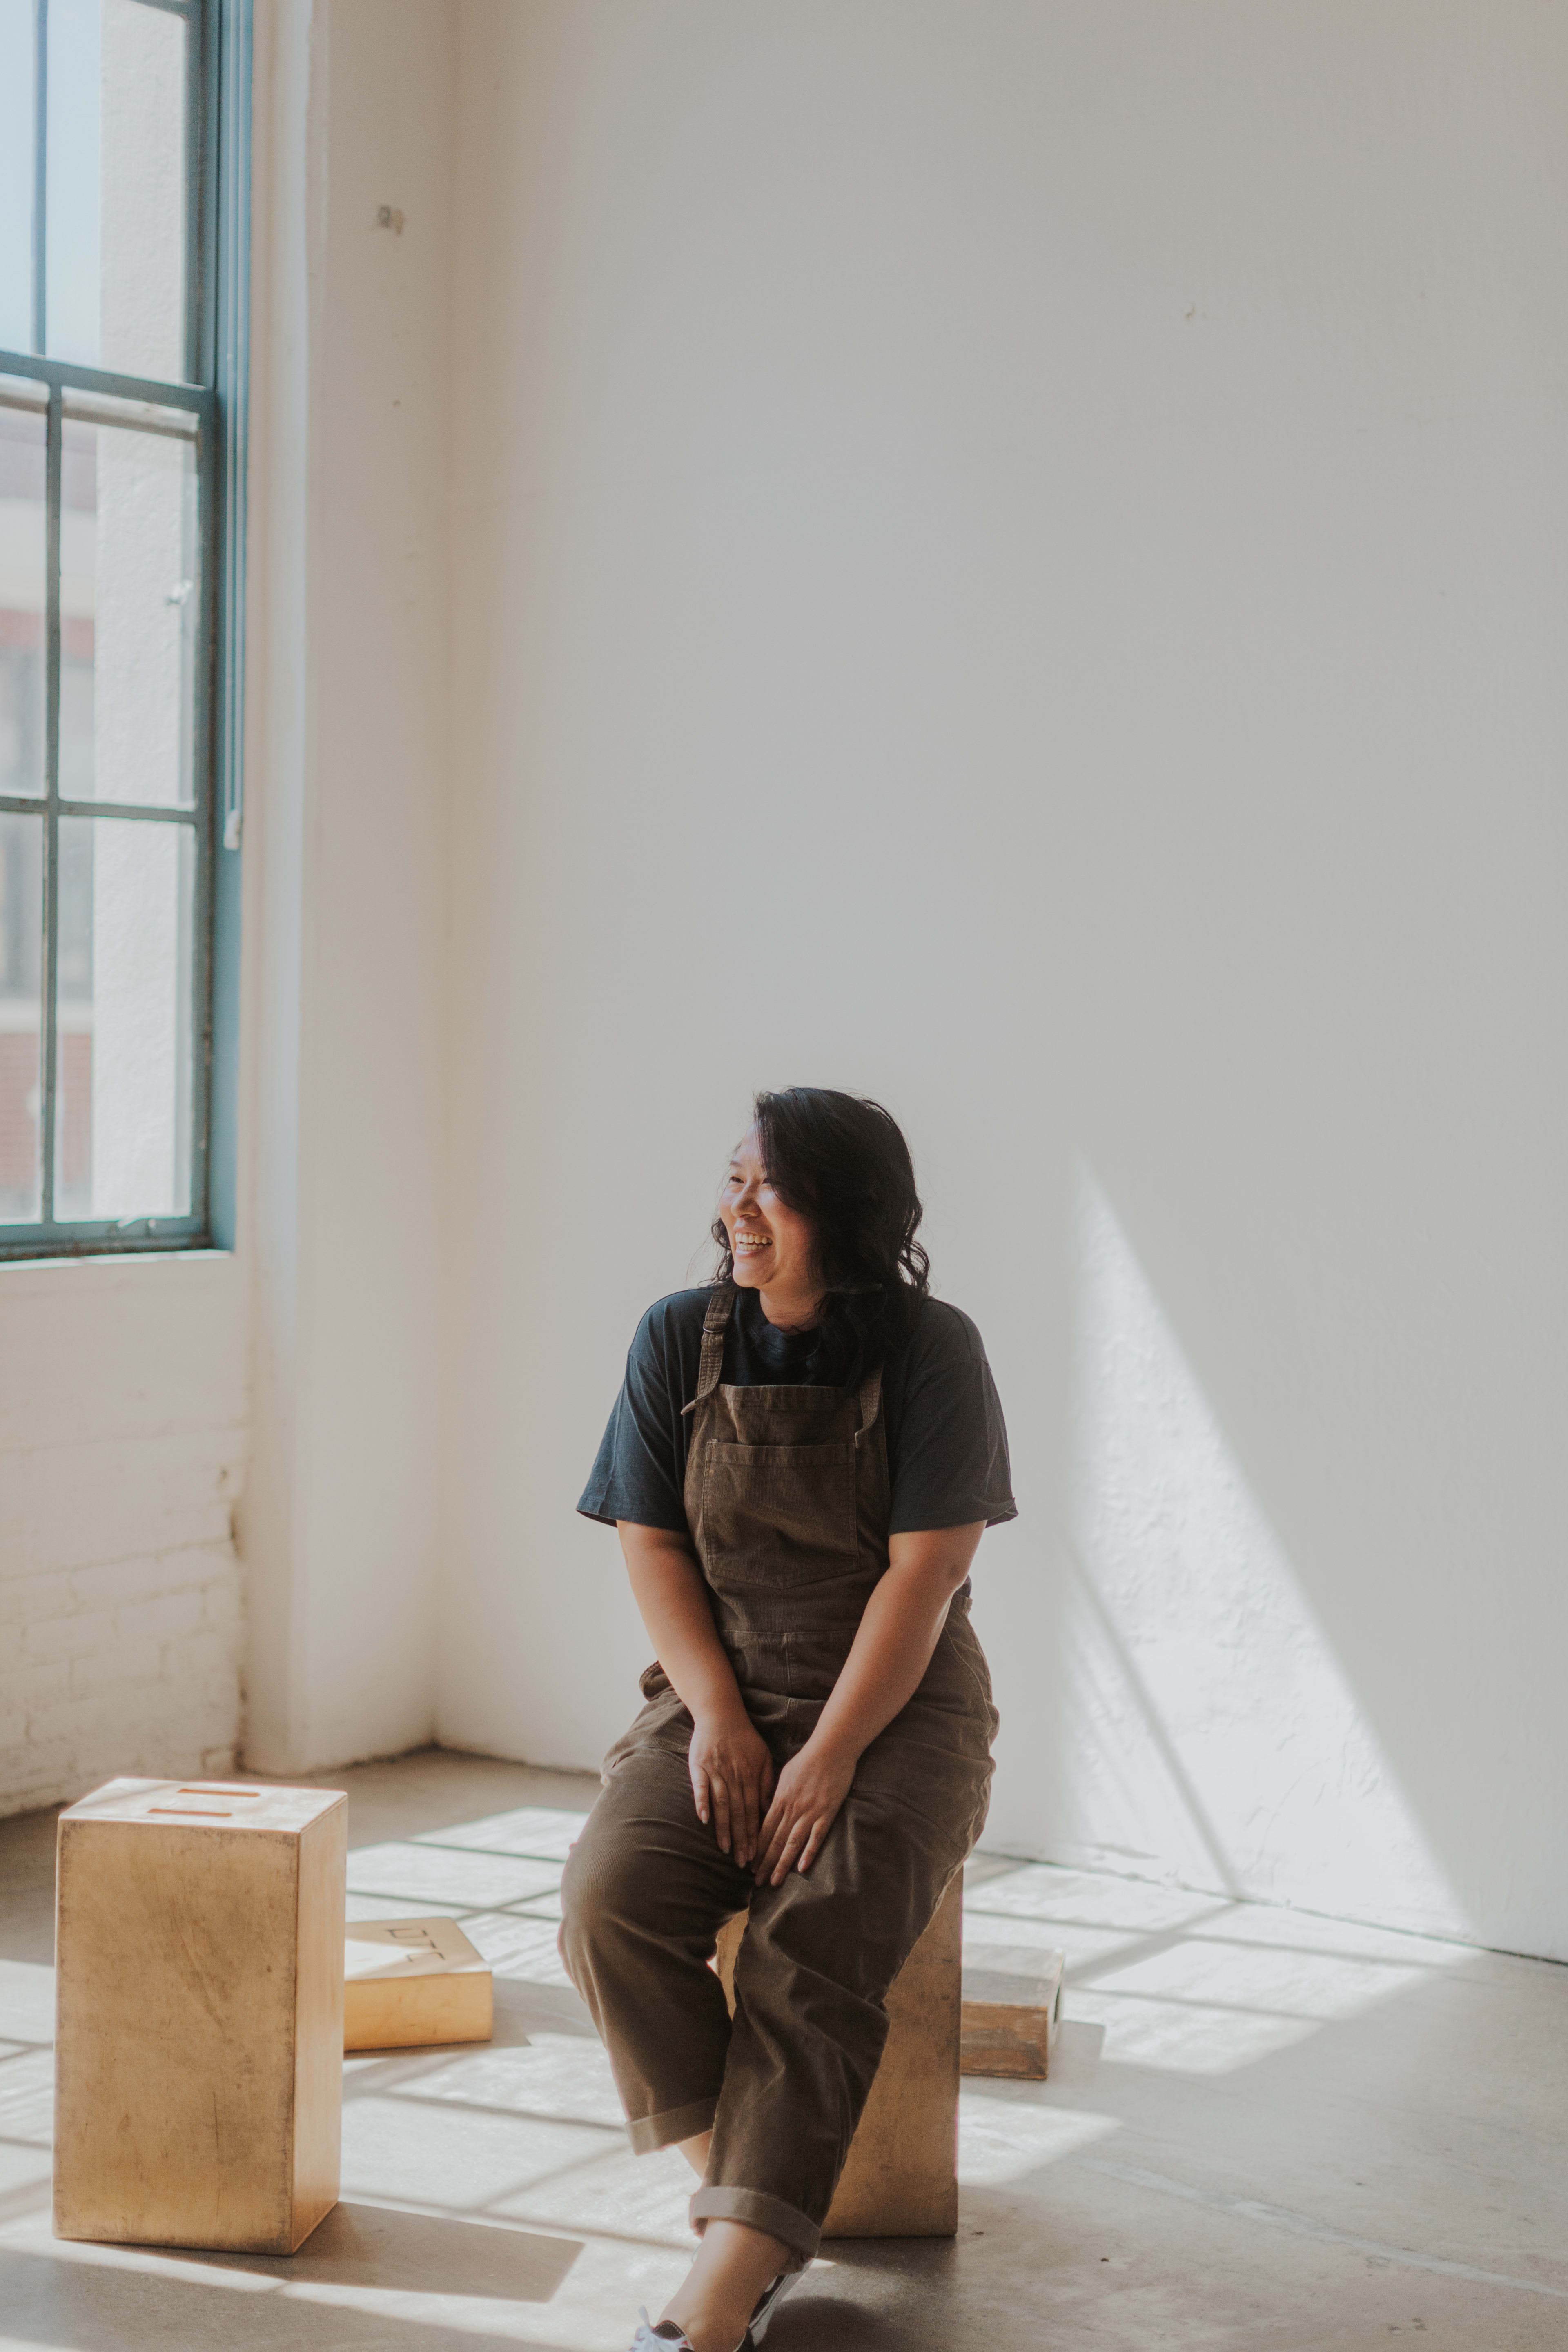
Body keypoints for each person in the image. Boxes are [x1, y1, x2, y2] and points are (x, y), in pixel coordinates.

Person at [564, 1088, 1015, 2352]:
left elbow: (923, 1577)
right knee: (610, 1899)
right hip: (722, 1690)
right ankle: (746, 2220)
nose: (736, 1207)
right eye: (732, 1180)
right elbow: (650, 1542)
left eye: (769, 1185)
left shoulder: (936, 1349)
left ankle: (706, 2309)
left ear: (848, 1207)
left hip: (899, 1706)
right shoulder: (677, 1336)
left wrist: (829, 1756)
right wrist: (718, 1717)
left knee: (810, 1938)